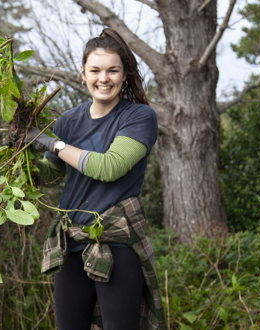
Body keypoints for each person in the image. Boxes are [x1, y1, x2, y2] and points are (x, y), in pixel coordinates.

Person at [23, 28, 167, 330]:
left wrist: (52, 143)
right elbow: (51, 173)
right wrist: (22, 155)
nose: (105, 78)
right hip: (72, 241)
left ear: (124, 73)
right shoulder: (69, 120)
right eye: (96, 70)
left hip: (115, 243)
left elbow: (109, 167)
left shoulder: (139, 117)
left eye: (113, 70)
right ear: (83, 72)